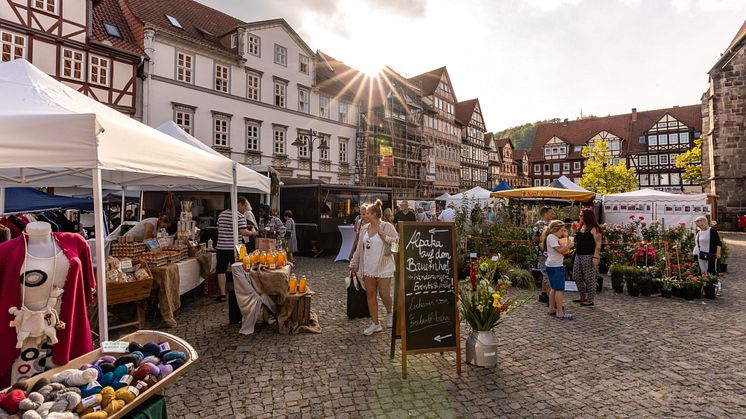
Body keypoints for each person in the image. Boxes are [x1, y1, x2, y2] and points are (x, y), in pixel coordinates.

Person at [349, 200, 399, 336]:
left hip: (384, 267)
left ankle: (390, 313)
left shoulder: (387, 226)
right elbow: (360, 248)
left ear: (375, 214)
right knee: (370, 295)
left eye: (367, 214)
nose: (364, 216)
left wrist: (386, 238)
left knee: (384, 294)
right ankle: (375, 323)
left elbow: (398, 244)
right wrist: (353, 263)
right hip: (368, 267)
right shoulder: (364, 228)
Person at [216, 197, 257, 302]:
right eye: (244, 206)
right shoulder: (239, 216)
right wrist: (253, 233)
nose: (244, 208)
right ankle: (240, 292)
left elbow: (220, 228)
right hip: (237, 247)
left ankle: (222, 294)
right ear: (239, 204)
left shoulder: (221, 215)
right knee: (240, 269)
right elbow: (244, 232)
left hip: (221, 246)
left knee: (221, 270)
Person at [541, 220, 575, 320]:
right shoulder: (552, 237)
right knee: (559, 289)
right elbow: (561, 250)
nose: (562, 231)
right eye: (562, 230)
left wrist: (566, 236)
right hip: (556, 266)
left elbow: (564, 249)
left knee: (554, 288)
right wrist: (569, 245)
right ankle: (560, 313)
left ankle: (551, 309)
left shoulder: (553, 237)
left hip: (552, 265)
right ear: (556, 229)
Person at [572, 209, 602, 307]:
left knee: (589, 278)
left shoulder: (594, 228)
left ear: (587, 217)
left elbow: (598, 244)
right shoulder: (581, 226)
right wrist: (574, 231)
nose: (579, 217)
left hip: (589, 255)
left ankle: (590, 299)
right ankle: (582, 296)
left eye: (581, 216)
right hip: (579, 254)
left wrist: (596, 257)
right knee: (576, 276)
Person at [533, 206, 555, 304]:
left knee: (546, 273)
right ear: (545, 213)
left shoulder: (552, 224)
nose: (552, 214)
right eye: (551, 213)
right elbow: (534, 238)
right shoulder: (539, 224)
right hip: (542, 252)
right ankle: (550, 298)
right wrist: (545, 238)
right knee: (546, 274)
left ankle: (543, 294)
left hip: (552, 252)